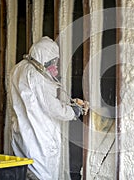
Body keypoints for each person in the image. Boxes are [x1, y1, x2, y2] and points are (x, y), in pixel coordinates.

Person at [6, 36, 88, 180]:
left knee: (25, 175)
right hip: (39, 138)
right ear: (44, 57)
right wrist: (74, 111)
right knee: (43, 176)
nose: (54, 66)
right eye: (52, 62)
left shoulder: (18, 69)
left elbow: (37, 102)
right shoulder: (36, 75)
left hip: (21, 134)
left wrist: (69, 104)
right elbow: (51, 107)